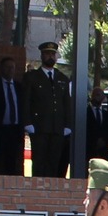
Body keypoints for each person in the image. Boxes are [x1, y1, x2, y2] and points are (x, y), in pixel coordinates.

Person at [23, 42, 73, 178]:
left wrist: (68, 124)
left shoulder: (62, 78)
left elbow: (66, 103)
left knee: (54, 162)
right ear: (42, 56)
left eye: (52, 54)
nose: (50, 57)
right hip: (39, 127)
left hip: (57, 128)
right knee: (39, 162)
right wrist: (27, 122)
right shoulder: (32, 77)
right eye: (47, 54)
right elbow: (26, 101)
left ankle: (52, 193)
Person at [0, 57, 28, 175]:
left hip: (15, 129)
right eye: (7, 67)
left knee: (13, 161)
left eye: (12, 68)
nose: (10, 70)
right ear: (1, 68)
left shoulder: (19, 87)